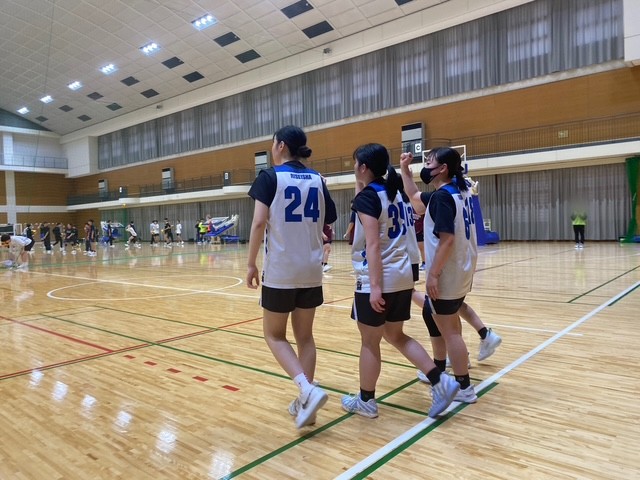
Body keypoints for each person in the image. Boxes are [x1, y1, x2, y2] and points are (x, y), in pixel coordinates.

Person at [341, 143, 459, 419]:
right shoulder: (396, 194)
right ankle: (440, 380)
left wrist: (375, 287)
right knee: (395, 335)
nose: (354, 167)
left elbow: (372, 245)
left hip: (378, 278)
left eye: (355, 163)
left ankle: (366, 401)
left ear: (363, 167)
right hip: (403, 275)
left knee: (370, 342)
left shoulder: (370, 197)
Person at [246, 125, 337, 429]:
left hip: (282, 271)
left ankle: (306, 390)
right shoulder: (317, 179)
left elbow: (258, 223)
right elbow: (328, 220)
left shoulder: (269, 177)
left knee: (273, 335)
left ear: (281, 145)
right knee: (305, 337)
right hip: (311, 269)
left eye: (273, 143)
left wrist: (250, 264)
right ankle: (306, 403)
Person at [400, 147, 478, 404]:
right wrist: (405, 170)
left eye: (429, 162)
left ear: (443, 168)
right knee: (444, 321)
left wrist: (432, 274)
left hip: (448, 272)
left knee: (451, 331)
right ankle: (441, 367)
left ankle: (464, 386)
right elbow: (414, 197)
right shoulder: (458, 192)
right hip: (462, 270)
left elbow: (447, 240)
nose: (426, 167)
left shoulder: (443, 197)